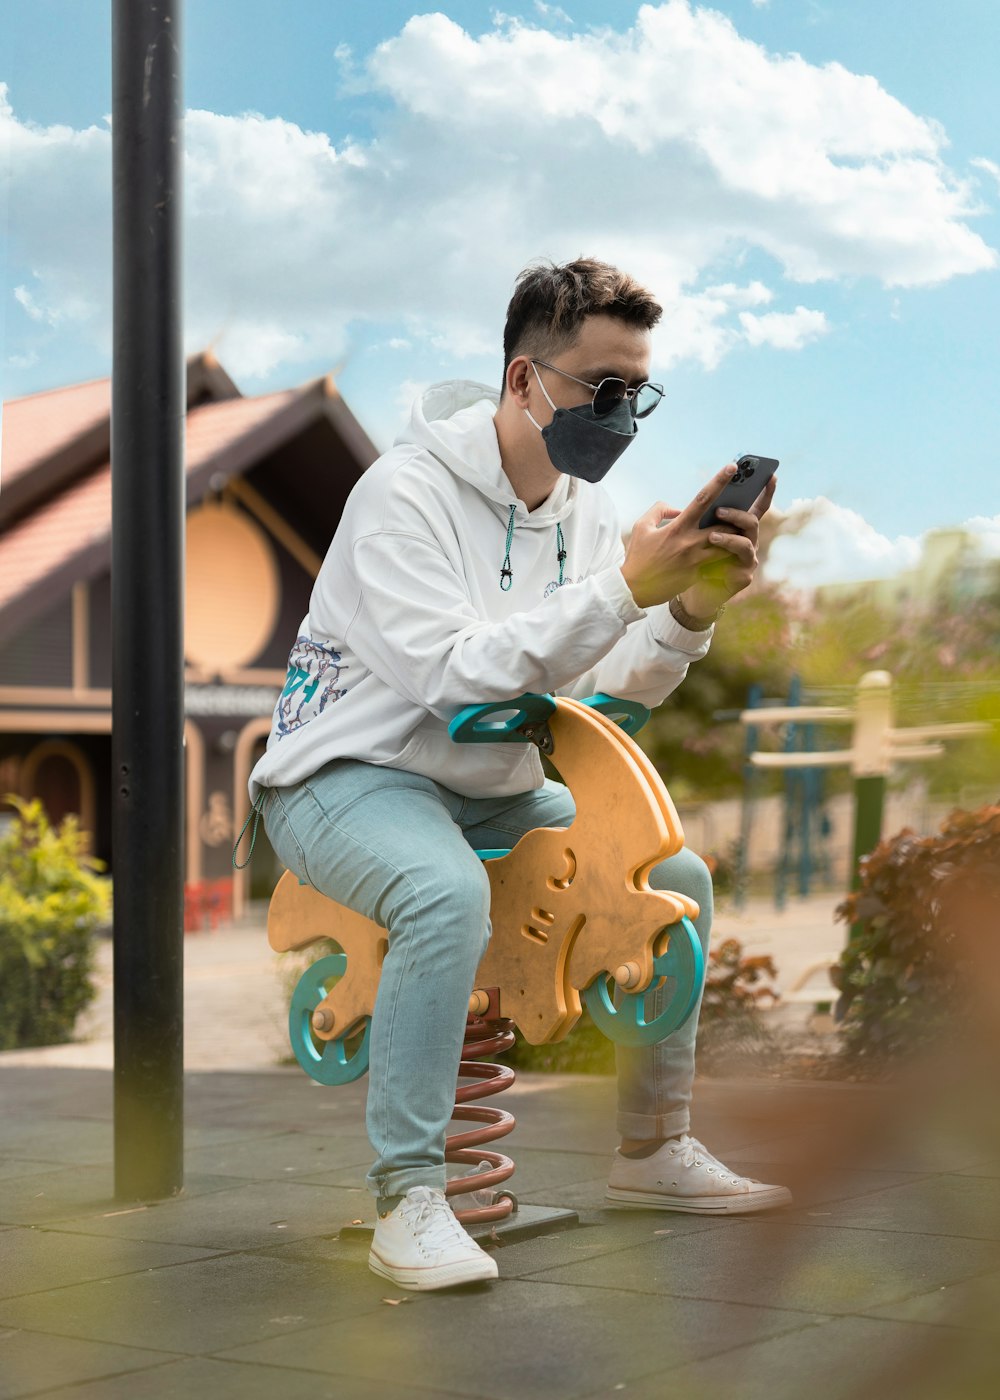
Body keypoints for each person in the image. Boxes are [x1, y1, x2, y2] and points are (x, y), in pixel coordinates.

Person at [248, 258, 791, 1292]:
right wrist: (626, 584)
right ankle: (407, 1197)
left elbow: (602, 697)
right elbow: (452, 676)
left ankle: (651, 1150)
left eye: (637, 390)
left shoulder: (584, 515)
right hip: (344, 774)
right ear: (521, 381)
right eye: (601, 388)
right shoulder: (400, 493)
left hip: (489, 782)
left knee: (670, 878)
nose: (621, 413)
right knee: (438, 888)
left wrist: (687, 609)